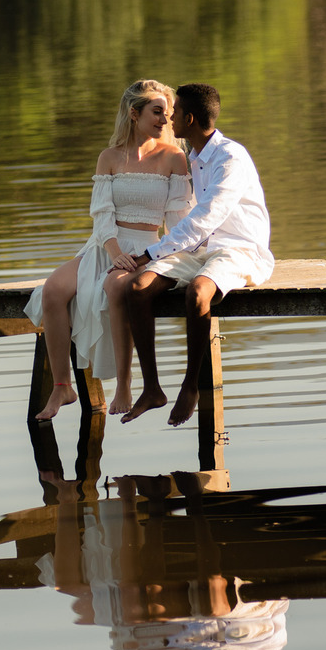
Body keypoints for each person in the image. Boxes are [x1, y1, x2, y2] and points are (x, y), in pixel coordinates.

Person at [24, 80, 193, 420]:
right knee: (54, 290)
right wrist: (114, 250)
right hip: (107, 244)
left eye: (168, 113)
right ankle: (62, 387)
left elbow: (179, 220)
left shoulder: (175, 157)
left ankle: (125, 384)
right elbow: (102, 216)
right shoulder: (110, 158)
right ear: (134, 113)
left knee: (114, 287)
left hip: (149, 247)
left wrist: (163, 256)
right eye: (157, 112)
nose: (165, 120)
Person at [120, 83, 274, 427]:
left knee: (198, 291)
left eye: (174, 112)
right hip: (200, 248)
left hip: (240, 249)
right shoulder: (191, 156)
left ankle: (190, 386)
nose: (169, 117)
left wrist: (151, 252)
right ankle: (152, 388)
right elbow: (187, 218)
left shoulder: (230, 157)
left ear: (189, 119)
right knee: (137, 288)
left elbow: (208, 216)